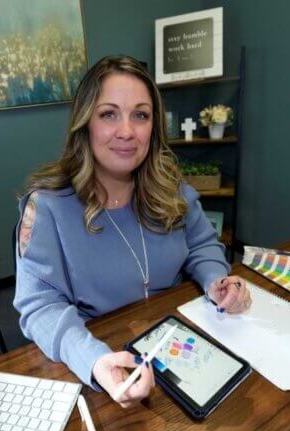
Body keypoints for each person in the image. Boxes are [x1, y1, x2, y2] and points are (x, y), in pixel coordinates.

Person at [13, 55, 252, 408]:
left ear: (153, 126)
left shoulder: (171, 187)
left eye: (140, 114)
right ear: (86, 123)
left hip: (179, 346)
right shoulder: (47, 206)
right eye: (109, 114)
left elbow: (202, 245)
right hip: (105, 362)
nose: (126, 131)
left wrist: (217, 280)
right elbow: (39, 308)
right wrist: (95, 361)